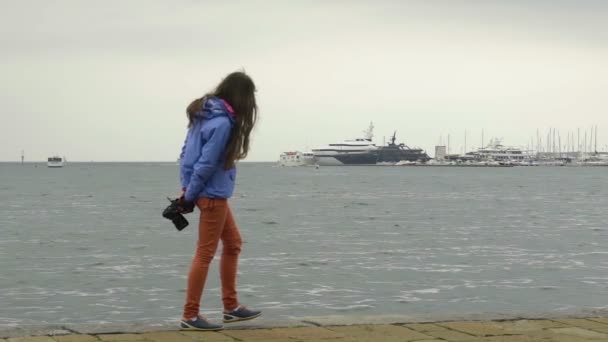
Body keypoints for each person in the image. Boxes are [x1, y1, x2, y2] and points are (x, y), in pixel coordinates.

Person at [175, 71, 260, 331]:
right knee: (205, 253)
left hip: (206, 191)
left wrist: (187, 188)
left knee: (233, 244)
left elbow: (185, 153)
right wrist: (190, 195)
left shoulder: (203, 114)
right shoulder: (223, 123)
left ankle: (231, 307)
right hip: (211, 195)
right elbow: (207, 162)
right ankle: (190, 315)